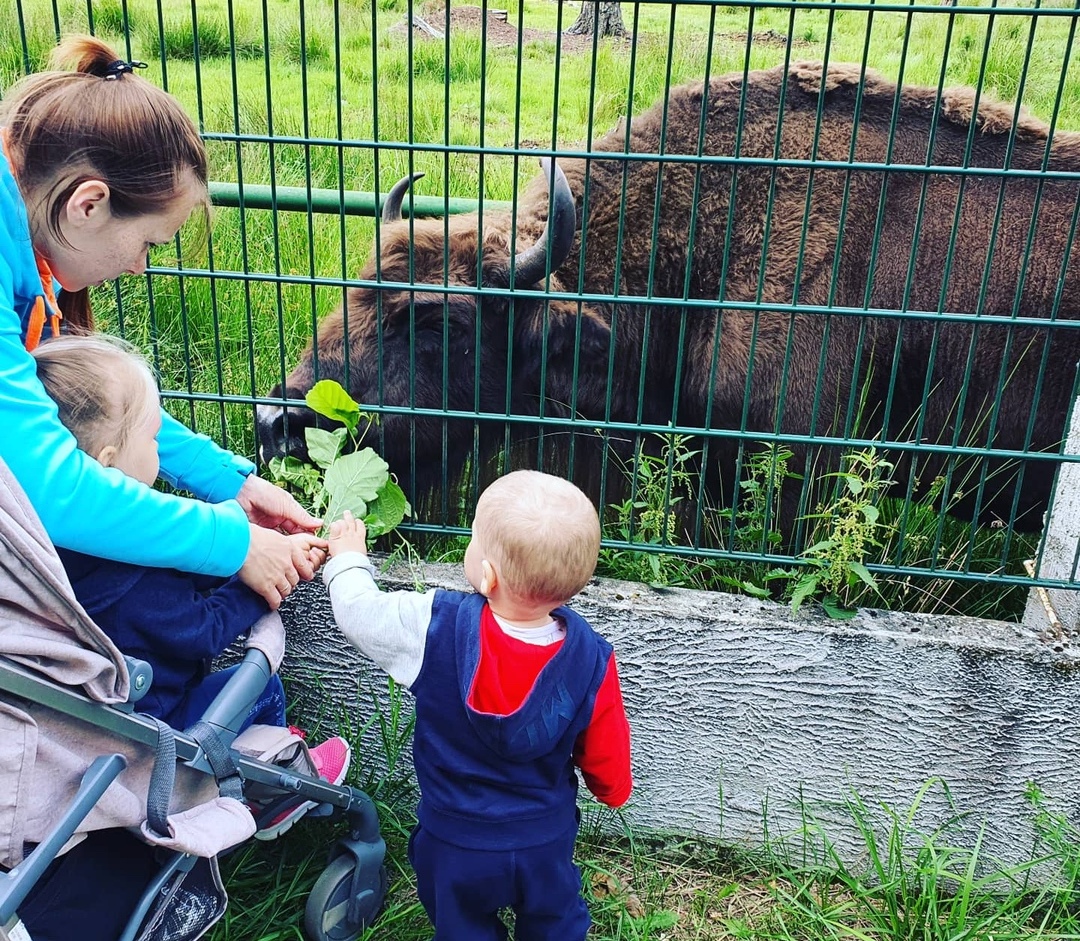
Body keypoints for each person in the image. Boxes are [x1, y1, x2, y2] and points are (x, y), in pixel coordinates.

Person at [0, 35, 323, 609]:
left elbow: (94, 411)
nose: (137, 267)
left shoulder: (24, 243)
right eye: (148, 242)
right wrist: (232, 543)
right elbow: (50, 490)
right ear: (89, 204)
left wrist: (232, 483)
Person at [32, 334, 351, 839]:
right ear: (110, 462)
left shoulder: (54, 540)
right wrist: (260, 583)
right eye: (154, 438)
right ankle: (266, 782)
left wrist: (241, 541)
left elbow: (172, 554)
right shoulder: (128, 580)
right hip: (149, 733)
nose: (159, 448)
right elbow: (200, 630)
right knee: (260, 683)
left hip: (73, 725)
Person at [323, 470, 633, 941]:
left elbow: (359, 614)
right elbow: (606, 744)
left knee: (461, 925)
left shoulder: (432, 625)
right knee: (555, 918)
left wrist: (348, 560)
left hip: (454, 839)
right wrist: (612, 791)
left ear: (486, 575)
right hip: (543, 838)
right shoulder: (592, 657)